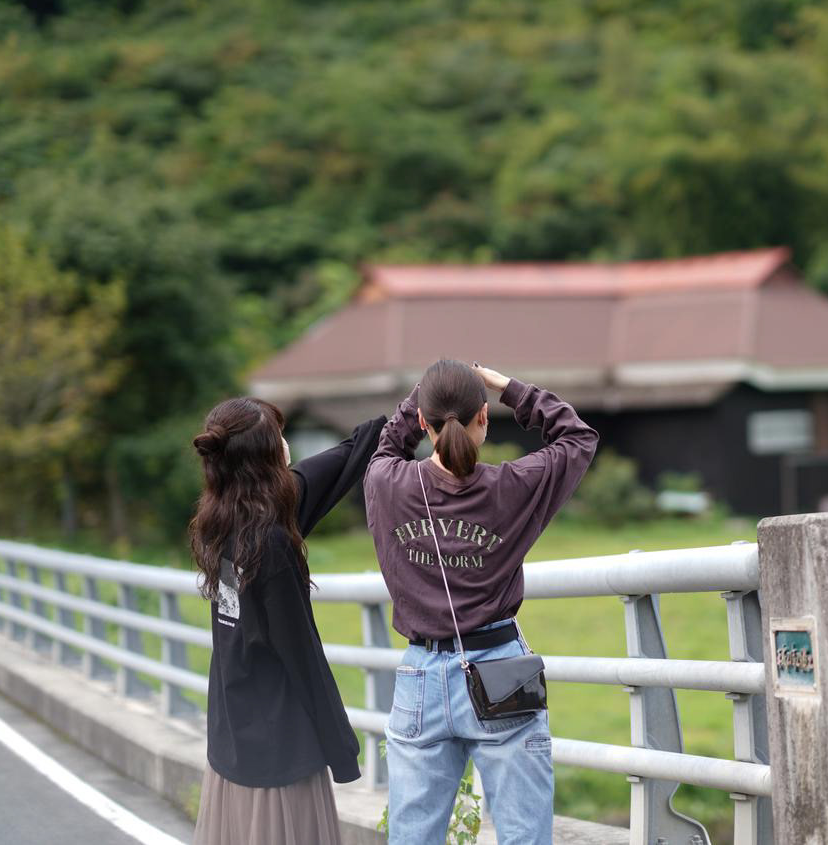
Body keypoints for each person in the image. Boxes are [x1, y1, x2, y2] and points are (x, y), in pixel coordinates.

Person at [364, 359, 598, 845]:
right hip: (500, 673)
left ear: (423, 421)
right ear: (484, 417)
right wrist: (507, 386)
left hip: (420, 675)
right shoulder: (512, 486)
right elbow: (577, 439)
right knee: (523, 836)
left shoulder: (386, 483)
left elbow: (388, 444)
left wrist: (424, 393)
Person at [188, 396, 387, 845]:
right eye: (279, 435)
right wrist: (342, 749)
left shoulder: (221, 522)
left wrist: (392, 428)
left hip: (235, 733)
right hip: (279, 750)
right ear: (267, 455)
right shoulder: (271, 543)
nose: (286, 443)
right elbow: (303, 656)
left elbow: (326, 469)